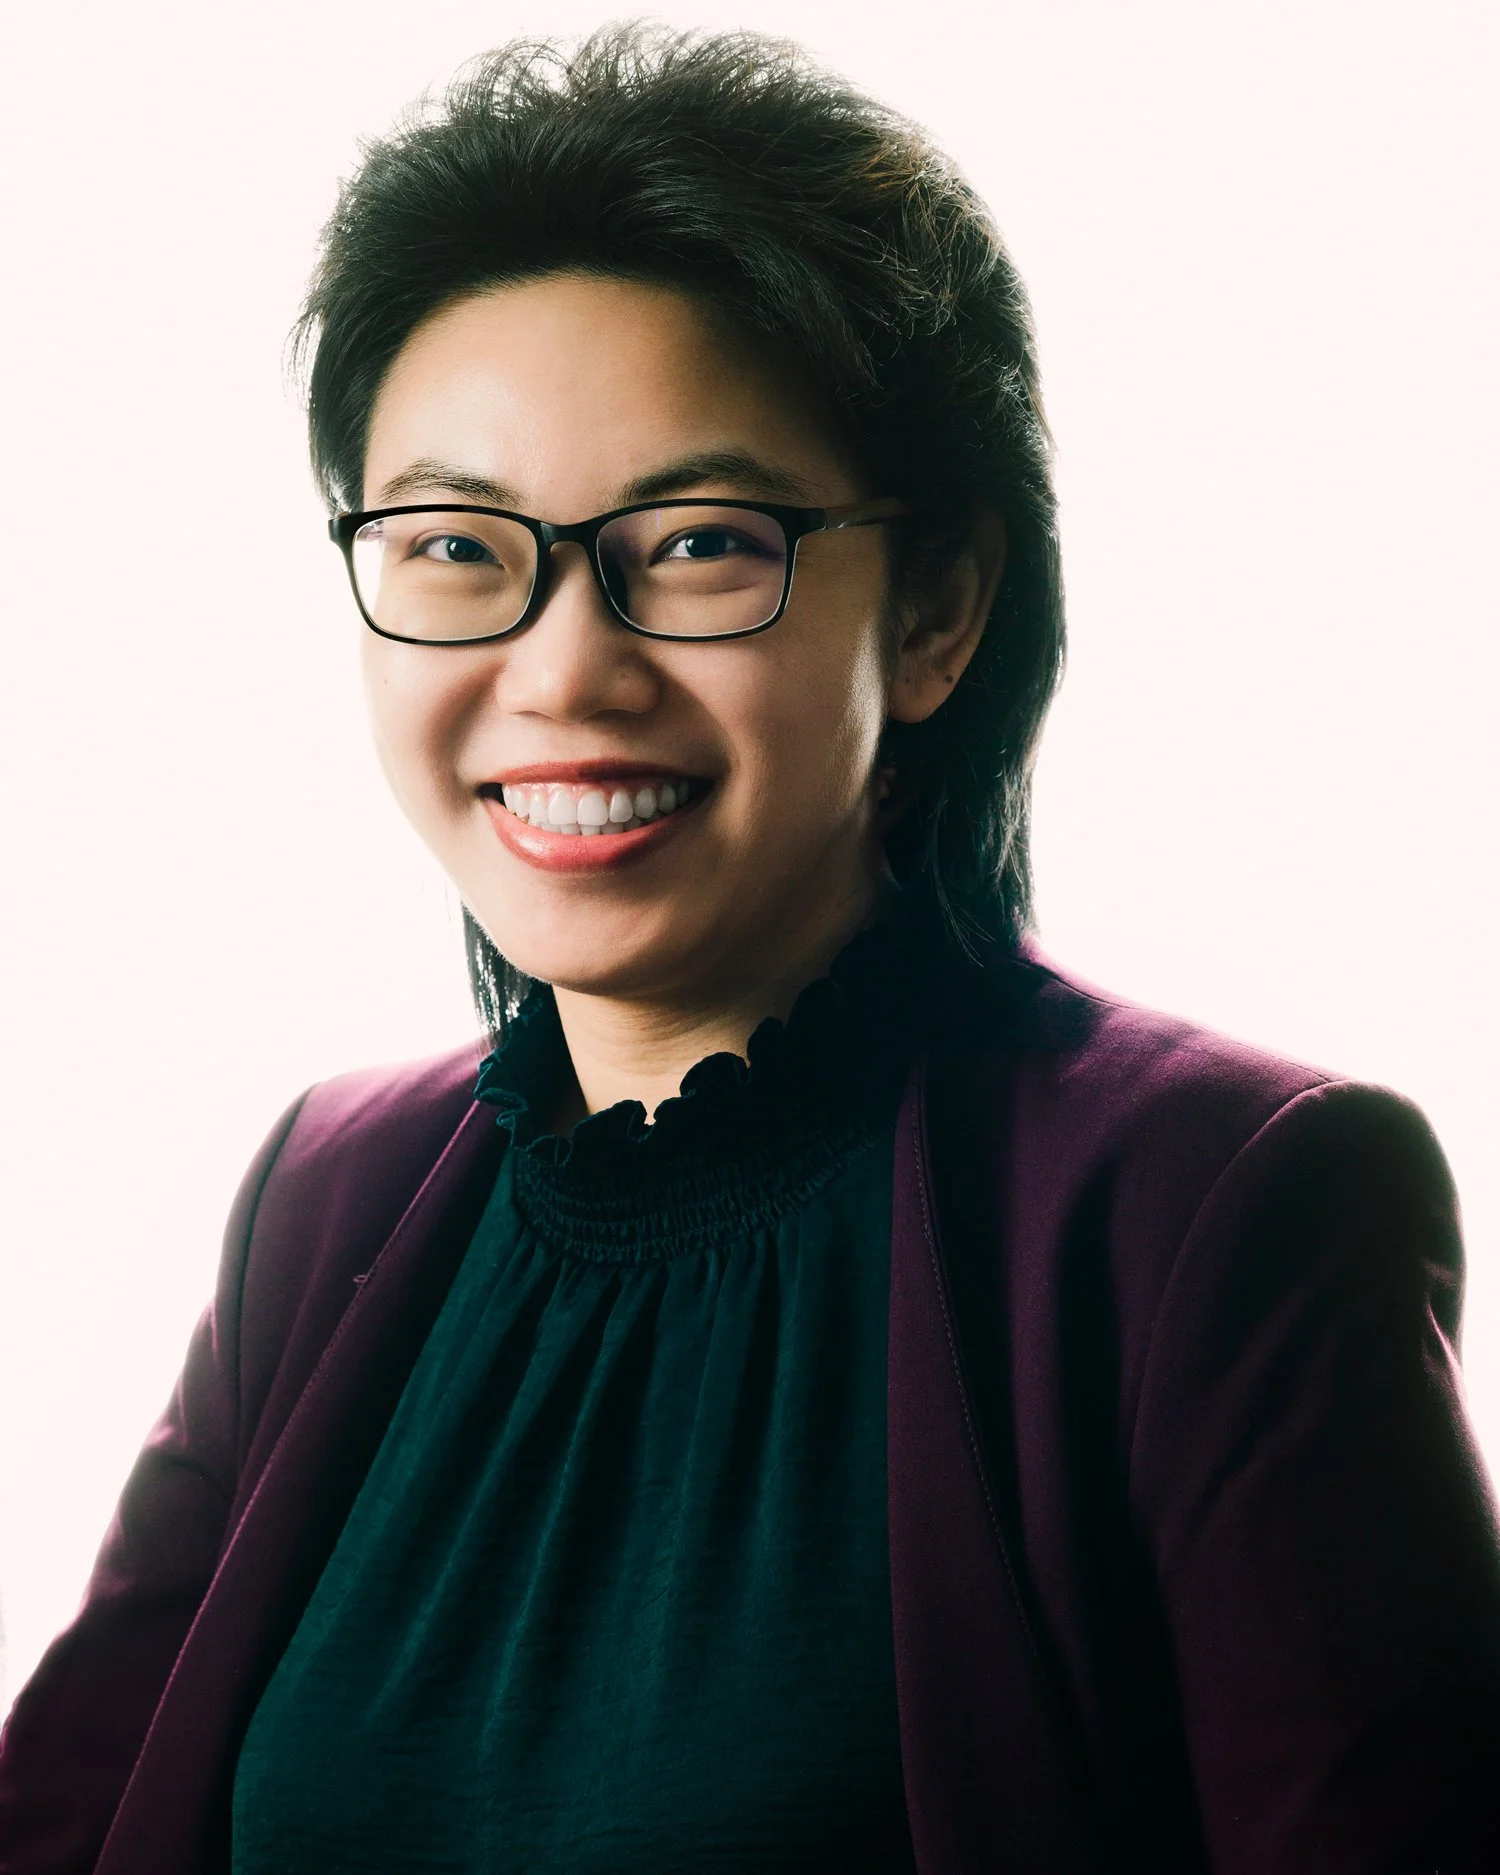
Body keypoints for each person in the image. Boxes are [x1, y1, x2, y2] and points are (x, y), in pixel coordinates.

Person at [2, 24, 1498, 1873]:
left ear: (938, 607)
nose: (564, 670)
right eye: (457, 546)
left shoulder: (1216, 1204)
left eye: (701, 543)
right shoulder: (325, 1196)